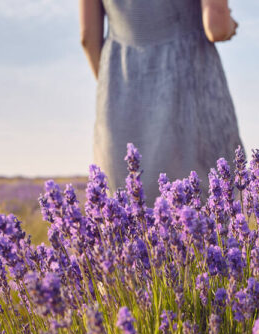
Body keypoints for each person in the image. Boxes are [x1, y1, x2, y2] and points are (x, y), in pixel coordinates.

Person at [80, 0, 244, 201]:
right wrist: (230, 25)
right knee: (209, 210)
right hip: (190, 89)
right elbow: (217, 27)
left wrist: (114, 90)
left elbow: (88, 38)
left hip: (122, 97)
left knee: (126, 214)